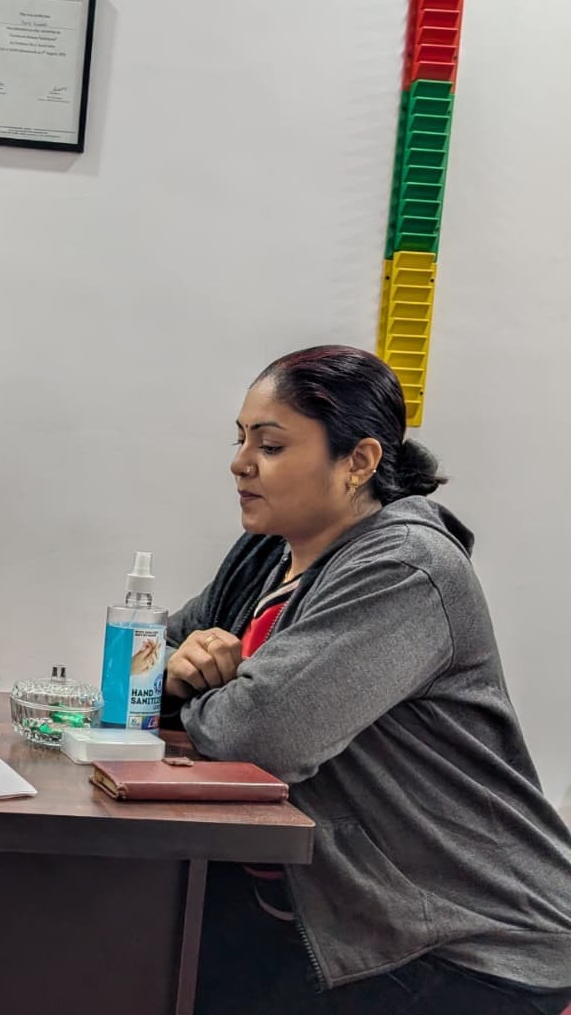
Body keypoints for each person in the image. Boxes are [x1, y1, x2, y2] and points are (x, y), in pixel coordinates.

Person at [164, 346, 571, 1015]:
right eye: (240, 439)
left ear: (359, 462)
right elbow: (155, 657)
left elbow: (263, 732)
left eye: (270, 445)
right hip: (343, 910)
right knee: (147, 950)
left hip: (466, 936)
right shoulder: (268, 553)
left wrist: (202, 693)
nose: (240, 462)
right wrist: (182, 677)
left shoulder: (407, 567)